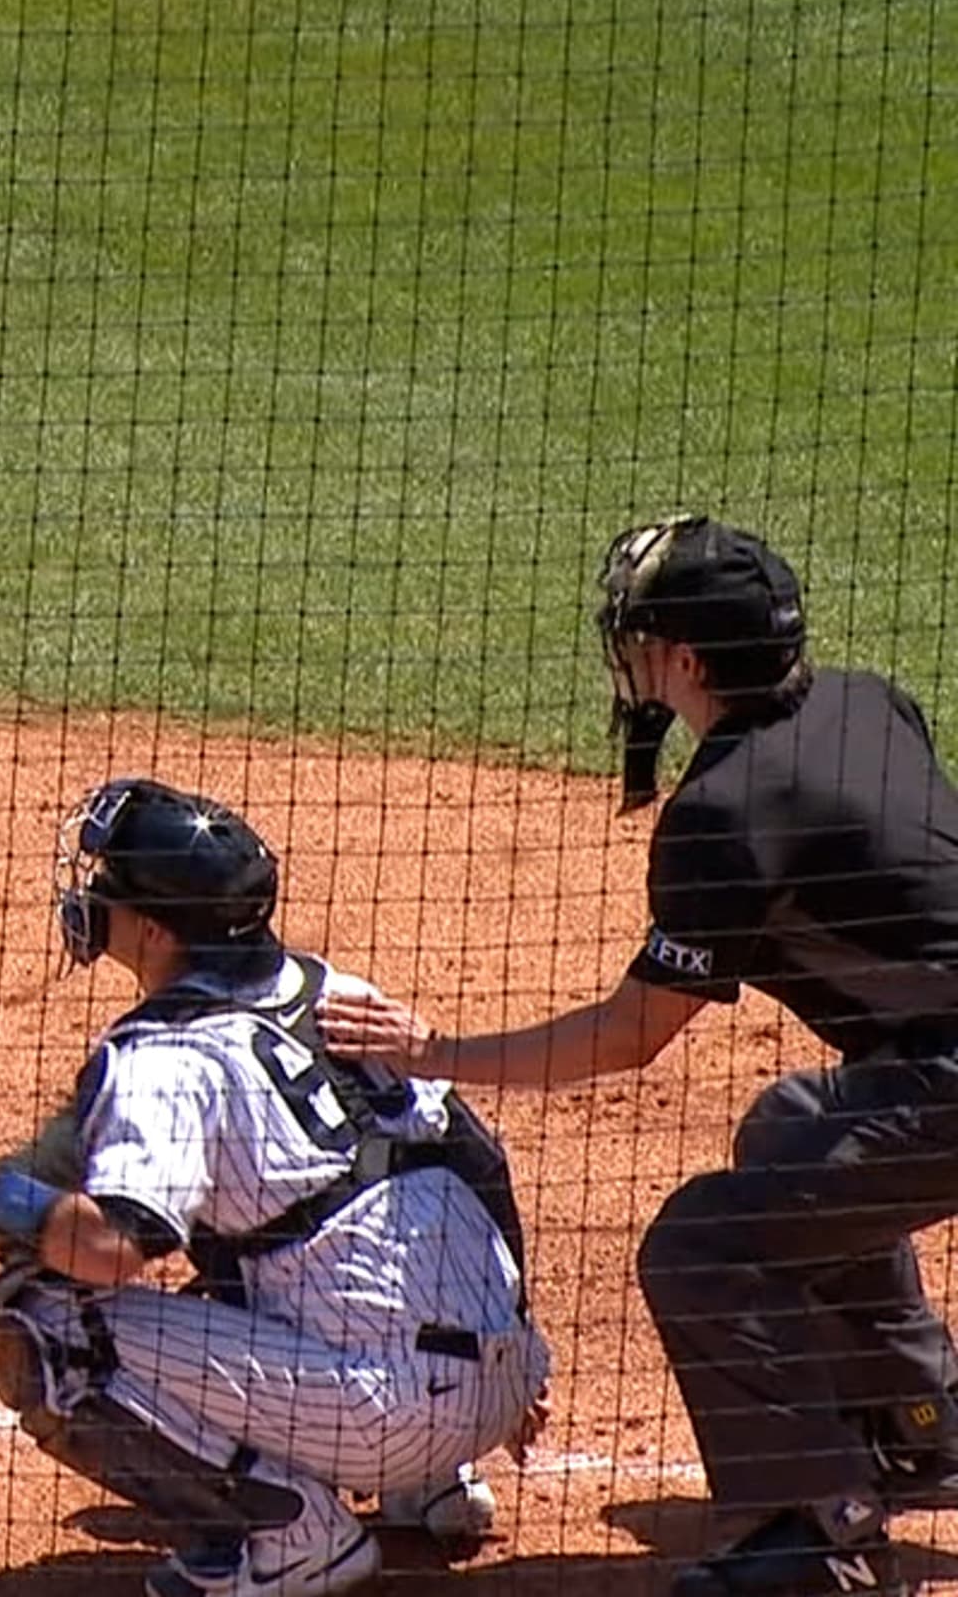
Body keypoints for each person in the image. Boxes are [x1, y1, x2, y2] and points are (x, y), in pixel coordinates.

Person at [321, 515, 958, 1597]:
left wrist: (437, 1051)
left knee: (702, 1247)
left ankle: (818, 1538)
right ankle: (913, 1420)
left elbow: (631, 1034)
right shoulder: (864, 699)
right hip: (926, 1063)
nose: (625, 651)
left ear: (687, 662)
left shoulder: (723, 812)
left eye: (641, 634)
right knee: (793, 1129)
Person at [0, 777, 549, 1597]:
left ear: (155, 928)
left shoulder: (168, 1060)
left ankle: (289, 1539)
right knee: (291, 1229)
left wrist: (10, 1199)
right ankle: (434, 1485)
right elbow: (480, 1161)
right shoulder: (336, 990)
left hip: (388, 1411)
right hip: (503, 1381)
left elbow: (113, 1247)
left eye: (108, 886)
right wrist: (515, 1340)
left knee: (41, 1323)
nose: (91, 896)